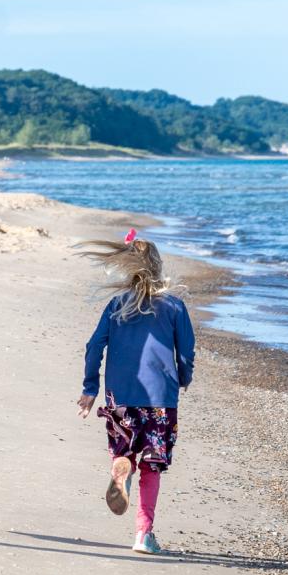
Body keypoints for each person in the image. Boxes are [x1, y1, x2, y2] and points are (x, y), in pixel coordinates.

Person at [75, 231, 195, 555]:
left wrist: (90, 387)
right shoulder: (174, 306)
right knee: (152, 467)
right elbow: (185, 352)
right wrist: (184, 377)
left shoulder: (116, 304)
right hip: (160, 401)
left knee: (124, 448)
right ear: (157, 267)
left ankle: (120, 464)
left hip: (120, 400)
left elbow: (94, 346)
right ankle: (143, 534)